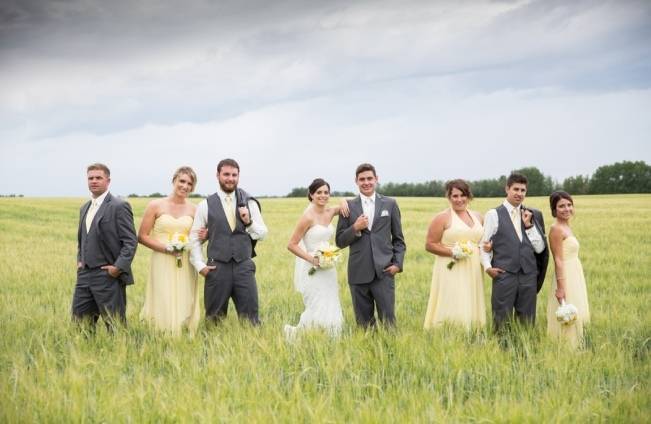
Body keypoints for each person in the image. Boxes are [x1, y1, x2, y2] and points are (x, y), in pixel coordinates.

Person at [189, 158, 267, 325]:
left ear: (239, 176)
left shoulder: (249, 202)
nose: (230, 178)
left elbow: (262, 234)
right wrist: (199, 265)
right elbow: (194, 238)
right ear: (218, 175)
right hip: (217, 268)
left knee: (251, 320)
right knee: (213, 320)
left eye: (234, 175)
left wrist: (249, 222)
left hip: (243, 266)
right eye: (226, 174)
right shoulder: (205, 205)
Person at [336, 163, 406, 328]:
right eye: (362, 179)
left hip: (384, 272)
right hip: (358, 272)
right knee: (364, 325)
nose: (366, 182)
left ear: (376, 179)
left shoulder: (390, 204)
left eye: (369, 178)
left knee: (389, 323)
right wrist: (355, 228)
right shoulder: (348, 207)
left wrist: (397, 264)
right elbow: (339, 241)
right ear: (356, 181)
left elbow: (399, 239)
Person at [480, 173, 549, 333]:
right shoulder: (493, 214)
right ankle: (501, 353)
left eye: (523, 190)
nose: (519, 193)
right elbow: (483, 245)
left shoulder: (533, 214)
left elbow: (540, 249)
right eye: (516, 189)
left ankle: (524, 354)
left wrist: (529, 226)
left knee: (527, 321)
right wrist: (487, 267)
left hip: (528, 275)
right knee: (501, 320)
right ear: (507, 189)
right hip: (504, 274)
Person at [72, 163, 137, 330]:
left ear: (108, 181)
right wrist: (80, 261)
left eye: (98, 178)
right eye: (90, 178)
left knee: (115, 327)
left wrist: (117, 268)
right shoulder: (84, 207)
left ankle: (121, 354)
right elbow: (83, 239)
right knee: (80, 326)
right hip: (84, 275)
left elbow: (130, 242)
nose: (94, 181)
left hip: (108, 276)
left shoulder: (119, 206)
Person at [138, 167, 201, 335]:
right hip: (162, 258)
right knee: (163, 293)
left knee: (185, 294)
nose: (185, 186)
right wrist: (167, 249)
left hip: (185, 260)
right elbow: (142, 236)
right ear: (174, 181)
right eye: (182, 181)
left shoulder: (195, 210)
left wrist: (204, 235)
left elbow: (196, 238)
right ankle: (161, 330)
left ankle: (183, 329)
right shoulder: (155, 205)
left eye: (190, 183)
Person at [284, 179, 349, 339]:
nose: (323, 195)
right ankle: (311, 336)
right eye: (319, 192)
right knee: (316, 303)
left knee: (331, 300)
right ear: (311, 195)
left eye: (326, 192)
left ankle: (333, 336)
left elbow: (350, 204)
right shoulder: (307, 217)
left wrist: (343, 200)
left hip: (328, 268)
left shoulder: (330, 212)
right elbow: (291, 244)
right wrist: (311, 259)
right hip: (312, 268)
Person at [423, 180, 486, 330]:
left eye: (463, 195)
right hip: (450, 267)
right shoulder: (442, 217)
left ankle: (473, 330)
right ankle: (447, 330)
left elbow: (484, 241)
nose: (459, 200)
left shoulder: (478, 216)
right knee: (453, 298)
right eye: (455, 196)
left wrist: (487, 247)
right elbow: (430, 244)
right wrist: (453, 252)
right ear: (449, 197)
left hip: (474, 268)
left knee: (470, 298)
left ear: (468, 196)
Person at [546, 191, 590, 348]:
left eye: (569, 205)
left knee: (575, 310)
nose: (566, 209)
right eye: (561, 206)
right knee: (568, 310)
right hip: (565, 276)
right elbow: (558, 259)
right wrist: (561, 287)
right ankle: (566, 348)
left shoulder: (566, 226)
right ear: (554, 209)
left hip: (574, 272)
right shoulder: (556, 229)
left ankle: (578, 345)